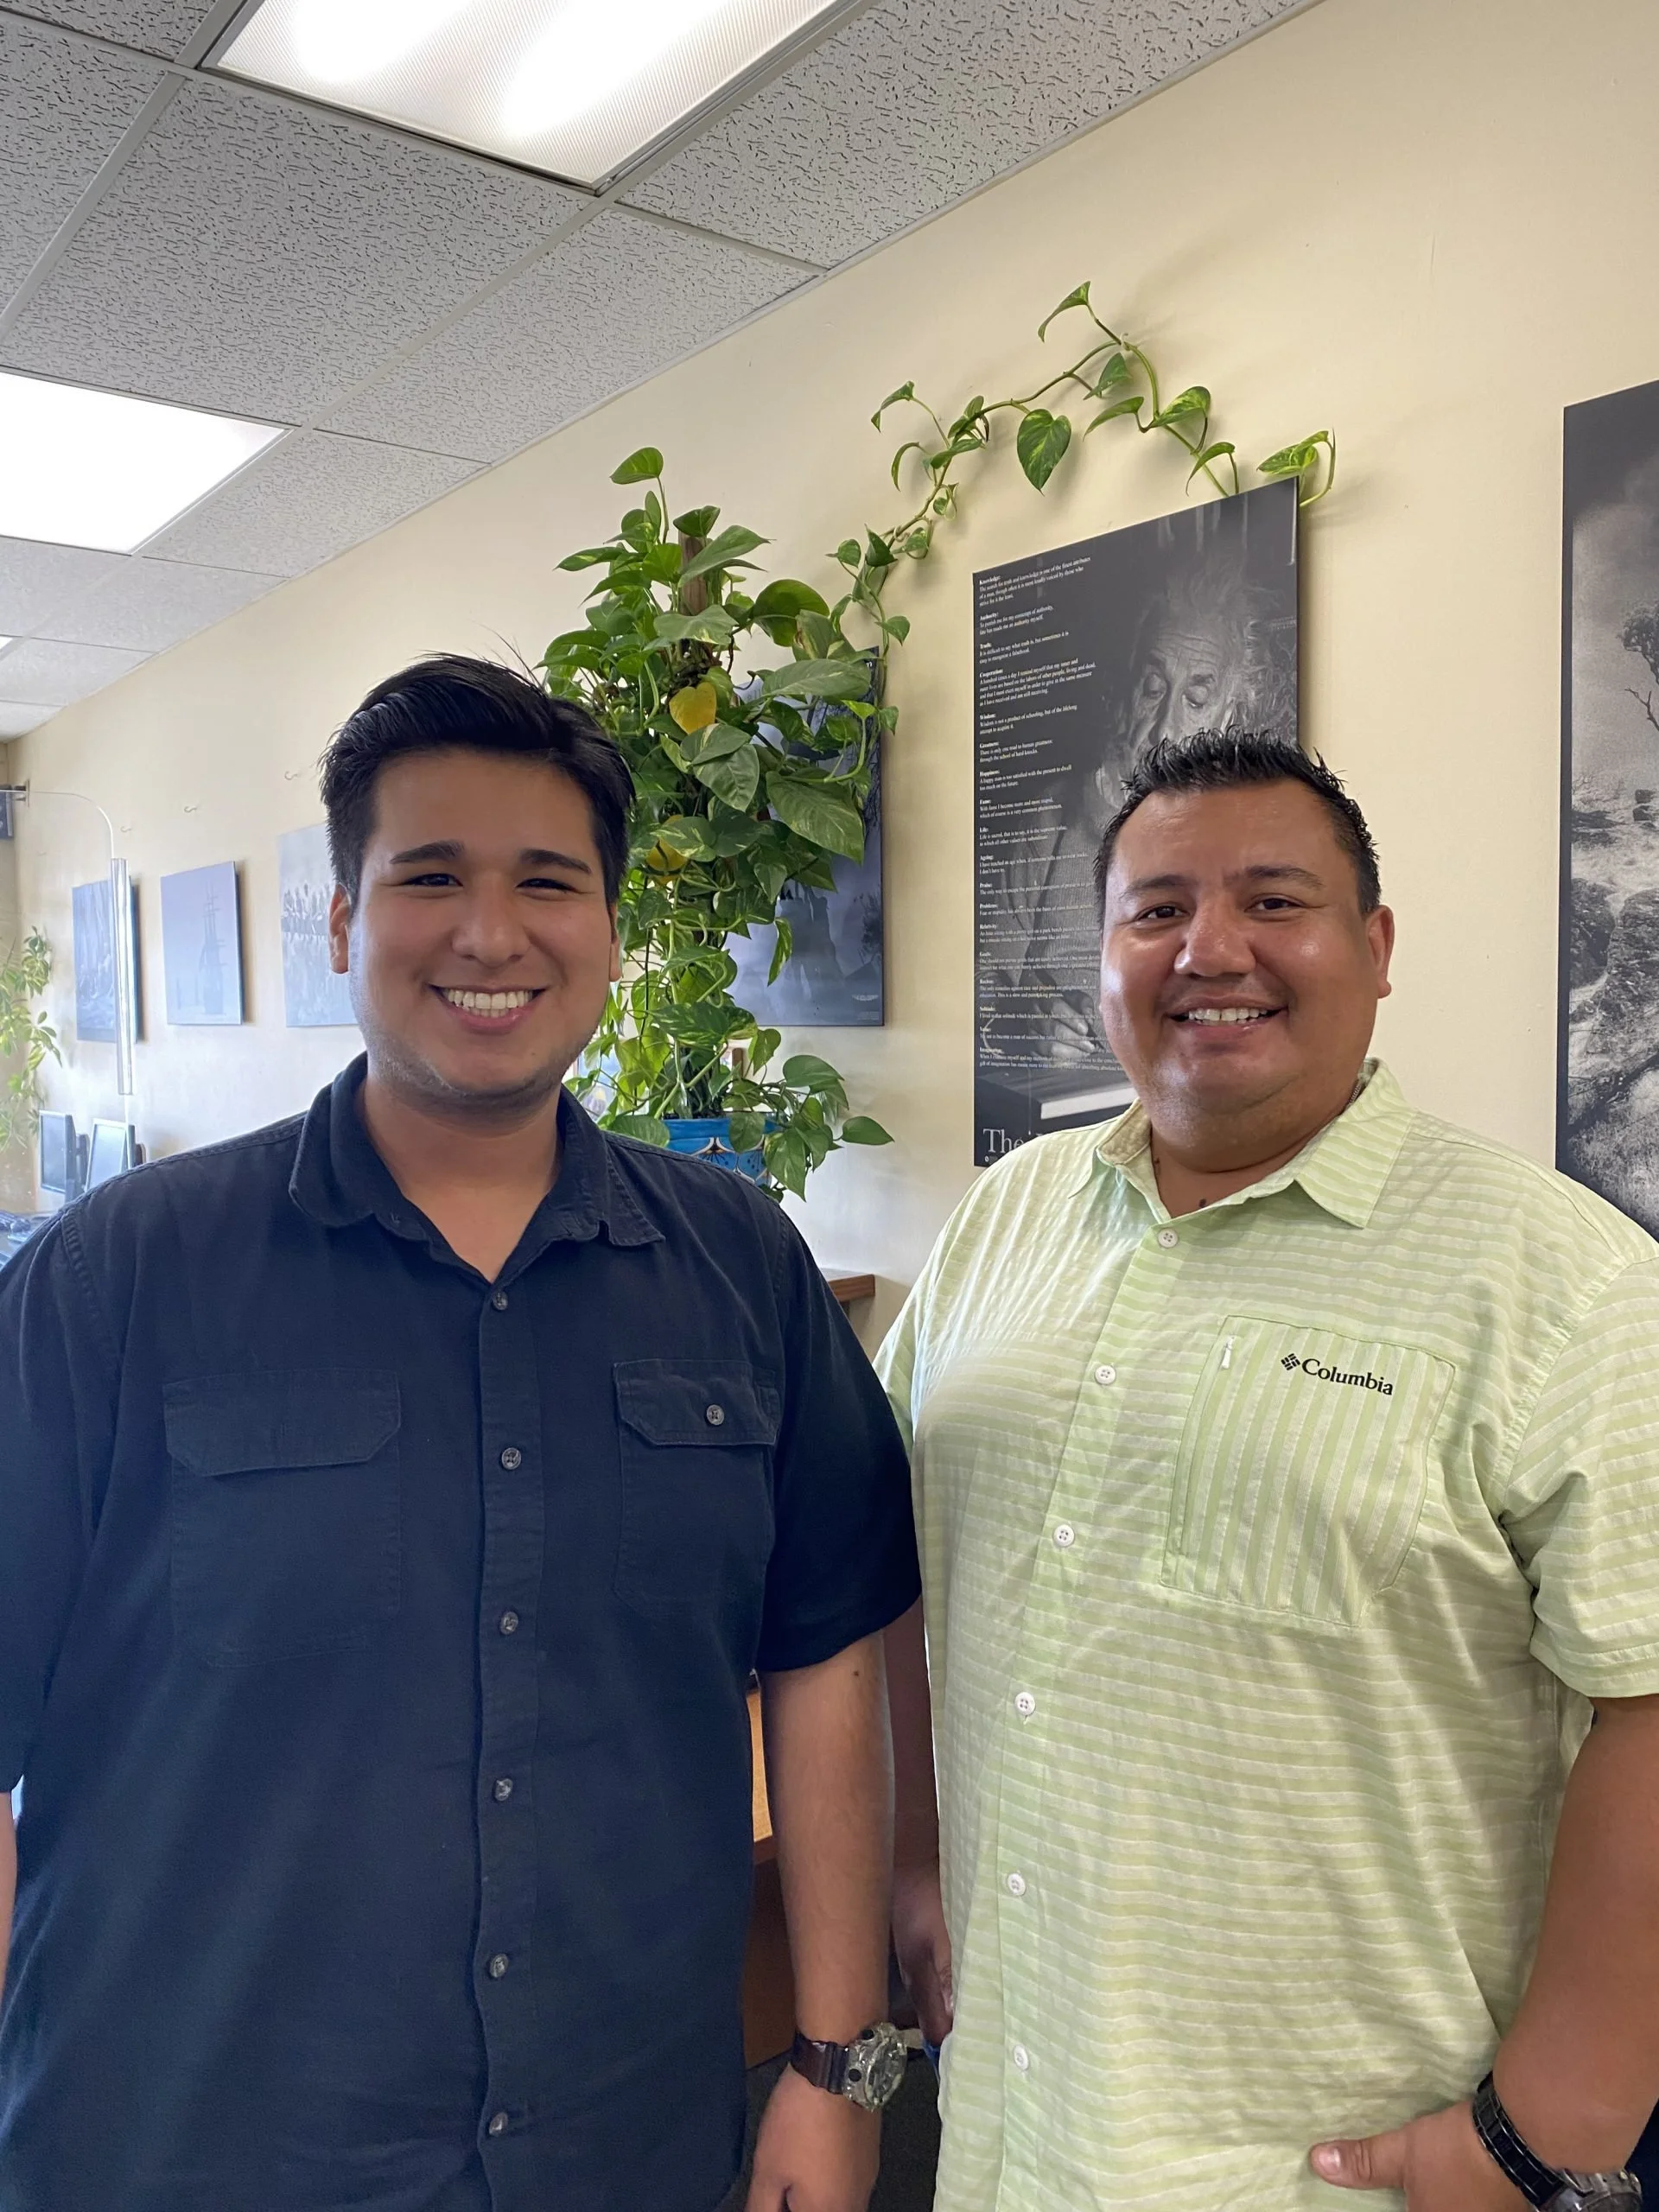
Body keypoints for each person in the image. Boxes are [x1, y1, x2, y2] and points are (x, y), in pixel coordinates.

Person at [0, 654, 919, 2212]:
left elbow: (823, 1659)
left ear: (613, 932)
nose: (493, 933)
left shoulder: (742, 1266)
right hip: (188, 2147)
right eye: (430, 875)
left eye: (549, 882)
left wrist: (839, 2070)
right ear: (345, 922)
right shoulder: (120, 1276)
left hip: (621, 2147)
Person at [881, 728, 1659, 2209]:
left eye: (1274, 902)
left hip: (1330, 2160)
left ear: (1374, 948)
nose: (1209, 949)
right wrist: (915, 1864)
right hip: (1007, 2116)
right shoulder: (1007, 1216)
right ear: (1102, 954)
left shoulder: (1567, 1283)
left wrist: (1553, 2126)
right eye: (1157, 908)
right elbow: (901, 1570)